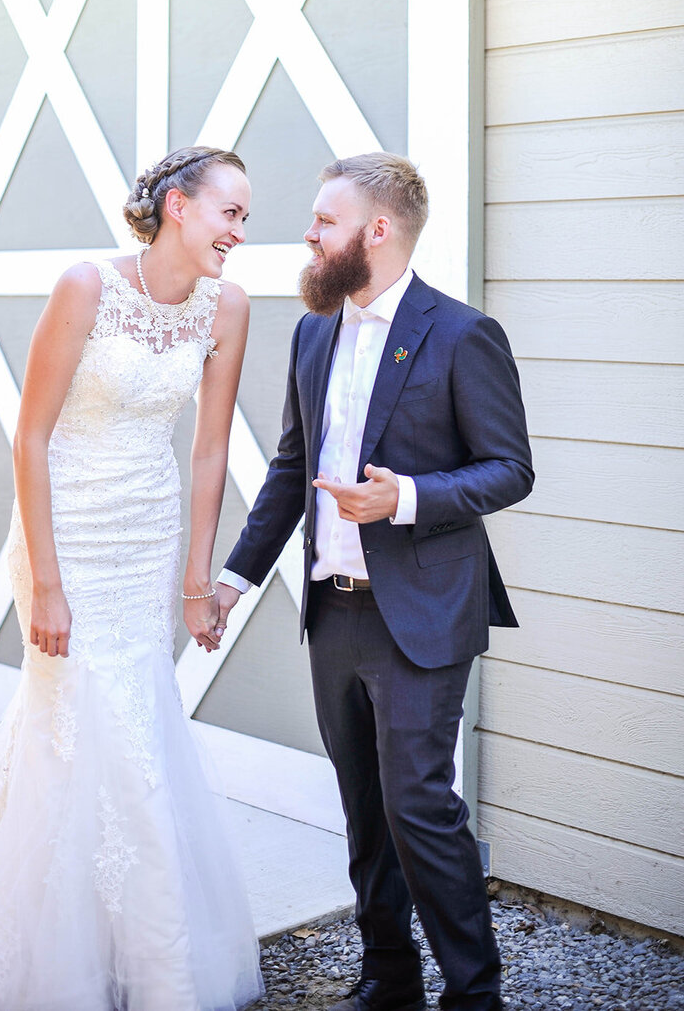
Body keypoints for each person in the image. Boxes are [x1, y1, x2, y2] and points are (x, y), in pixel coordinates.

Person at [0, 146, 264, 1011]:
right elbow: (31, 437)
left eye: (244, 217)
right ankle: (149, 969)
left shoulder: (226, 308)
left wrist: (198, 580)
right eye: (230, 212)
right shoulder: (86, 286)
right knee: (92, 719)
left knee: (124, 719)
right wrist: (47, 584)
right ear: (177, 206)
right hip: (65, 538)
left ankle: (103, 936)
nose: (241, 232)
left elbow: (208, 450)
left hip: (146, 533)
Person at [215, 153, 534, 1011]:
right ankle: (389, 981)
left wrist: (410, 498)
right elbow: (294, 467)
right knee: (365, 812)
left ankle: (475, 995)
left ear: (378, 231)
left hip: (425, 614)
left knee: (420, 811)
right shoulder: (315, 330)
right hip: (336, 611)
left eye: (325, 221)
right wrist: (235, 578)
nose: (309, 236)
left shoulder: (464, 335)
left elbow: (510, 469)